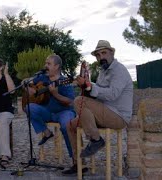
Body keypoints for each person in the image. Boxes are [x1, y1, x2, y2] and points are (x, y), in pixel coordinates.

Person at [62, 40, 133, 175]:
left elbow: (112, 94)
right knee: (70, 126)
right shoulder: (103, 72)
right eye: (98, 55)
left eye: (104, 53)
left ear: (112, 52)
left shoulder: (119, 70)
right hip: (103, 113)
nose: (101, 57)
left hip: (118, 116)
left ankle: (96, 139)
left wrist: (90, 86)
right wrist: (84, 86)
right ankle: (79, 165)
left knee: (79, 101)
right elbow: (97, 95)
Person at [24, 54, 75, 161]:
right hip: (47, 112)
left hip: (63, 112)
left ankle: (76, 160)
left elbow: (71, 102)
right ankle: (47, 132)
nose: (45, 65)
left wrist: (56, 94)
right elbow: (25, 82)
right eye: (45, 63)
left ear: (56, 66)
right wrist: (29, 89)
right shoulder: (42, 77)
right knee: (29, 107)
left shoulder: (65, 82)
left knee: (67, 125)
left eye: (48, 63)